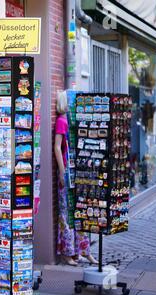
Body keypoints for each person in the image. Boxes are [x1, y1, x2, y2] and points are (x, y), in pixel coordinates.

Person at [54, 91, 98, 266]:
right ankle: (68, 252)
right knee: (66, 213)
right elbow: (57, 147)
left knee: (79, 211)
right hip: (67, 172)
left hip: (77, 171)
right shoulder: (61, 121)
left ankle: (83, 250)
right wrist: (62, 171)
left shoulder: (73, 121)